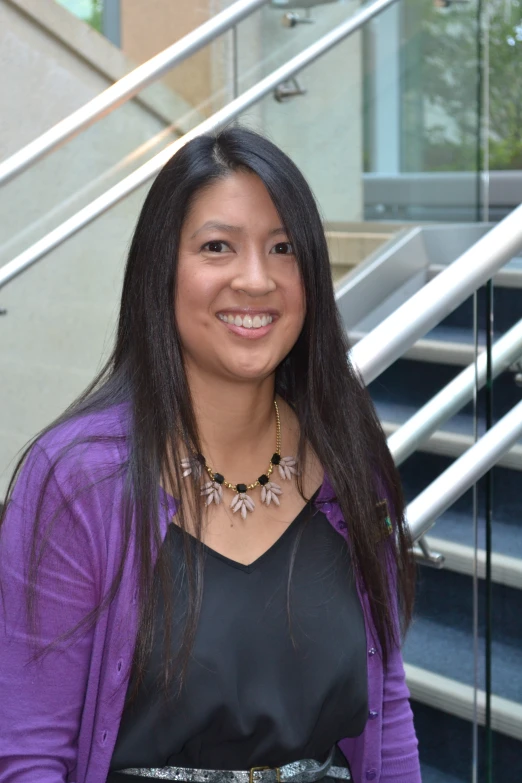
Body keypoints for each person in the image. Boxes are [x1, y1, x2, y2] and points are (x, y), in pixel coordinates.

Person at [0, 127, 420, 783]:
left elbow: (387, 715)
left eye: (283, 248)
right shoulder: (78, 479)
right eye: (217, 246)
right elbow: (27, 754)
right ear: (161, 268)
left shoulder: (351, 463)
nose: (255, 280)